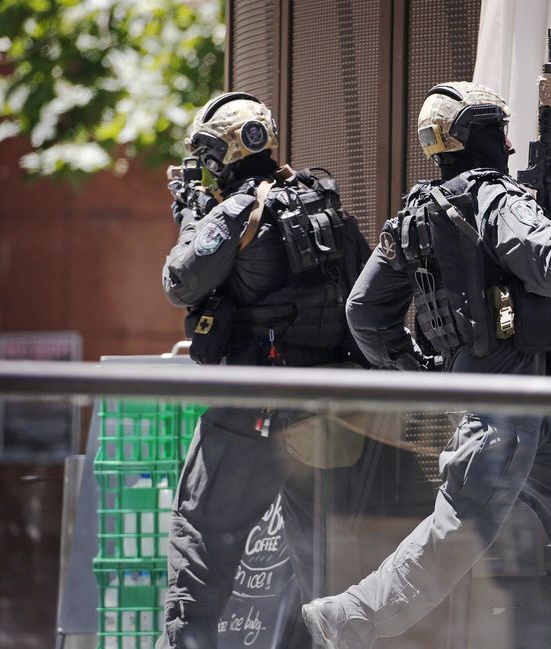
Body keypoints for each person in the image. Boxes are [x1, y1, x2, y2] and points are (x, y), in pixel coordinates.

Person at [301, 81, 551, 649]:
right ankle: (343, 621)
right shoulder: (495, 199)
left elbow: (364, 313)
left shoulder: (418, 212)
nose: (509, 143)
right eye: (497, 130)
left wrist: (420, 374)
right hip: (506, 411)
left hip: (509, 405)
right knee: (456, 533)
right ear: (472, 137)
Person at [157, 91, 371, 648]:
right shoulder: (323, 204)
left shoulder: (236, 212)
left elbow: (180, 280)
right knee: (325, 573)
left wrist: (188, 218)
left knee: (198, 549)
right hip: (324, 414)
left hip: (253, 415)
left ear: (220, 153)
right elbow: (364, 301)